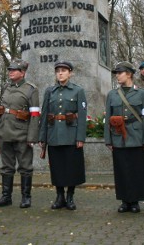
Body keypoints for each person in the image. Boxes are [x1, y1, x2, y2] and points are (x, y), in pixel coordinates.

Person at [38, 61, 87, 210]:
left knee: (72, 167)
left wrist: (80, 137)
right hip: (54, 135)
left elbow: (82, 116)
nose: (60, 73)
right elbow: (45, 115)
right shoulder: (49, 91)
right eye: (58, 71)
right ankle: (59, 196)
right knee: (57, 167)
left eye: (64, 71)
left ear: (70, 73)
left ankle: (70, 196)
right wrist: (43, 137)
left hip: (71, 135)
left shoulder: (78, 91)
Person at [105, 61, 144, 213]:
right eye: (116, 73)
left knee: (136, 169)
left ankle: (135, 201)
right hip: (118, 136)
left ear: (129, 74)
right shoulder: (112, 94)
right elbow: (108, 118)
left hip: (137, 136)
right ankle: (124, 200)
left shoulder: (142, 93)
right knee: (122, 170)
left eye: (120, 72)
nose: (117, 76)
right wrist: (108, 139)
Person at [0, 59, 40, 209]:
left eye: (14, 70)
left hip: (22, 134)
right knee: (6, 166)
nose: (10, 72)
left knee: (25, 166)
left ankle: (26, 197)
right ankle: (6, 196)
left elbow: (35, 114)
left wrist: (32, 137)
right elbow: (2, 106)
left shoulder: (31, 89)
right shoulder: (6, 86)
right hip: (4, 132)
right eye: (9, 70)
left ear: (23, 72)